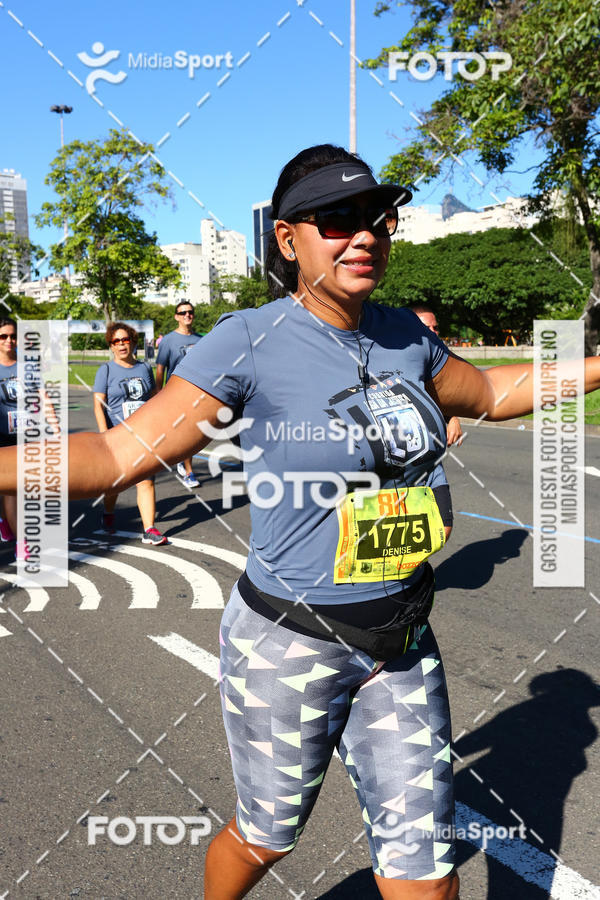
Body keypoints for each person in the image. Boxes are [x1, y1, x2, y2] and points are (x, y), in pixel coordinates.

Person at [0, 145, 598, 899]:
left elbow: (490, 392)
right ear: (287, 239)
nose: (365, 234)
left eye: (377, 217)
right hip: (290, 641)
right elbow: (122, 452)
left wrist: (596, 366)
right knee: (267, 837)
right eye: (337, 219)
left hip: (402, 640)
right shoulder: (249, 338)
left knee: (425, 870)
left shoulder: (406, 335)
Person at [92, 322, 167, 545]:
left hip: (143, 434)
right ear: (111, 346)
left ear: (133, 342)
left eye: (125, 340)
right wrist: (104, 435)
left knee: (146, 480)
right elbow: (98, 405)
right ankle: (108, 513)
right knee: (115, 483)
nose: (121, 344)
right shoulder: (106, 370)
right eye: (116, 341)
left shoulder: (144, 368)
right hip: (117, 436)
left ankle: (149, 529)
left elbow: (152, 398)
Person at [155, 301, 202, 488]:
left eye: (190, 312)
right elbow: (160, 369)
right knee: (184, 433)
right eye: (183, 313)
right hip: (175, 395)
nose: (187, 315)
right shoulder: (168, 340)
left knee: (193, 433)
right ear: (176, 317)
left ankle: (184, 463)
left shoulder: (201, 339)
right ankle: (188, 470)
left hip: (197, 394)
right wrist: (158, 394)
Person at [410, 305, 463, 447]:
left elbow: (439, 393)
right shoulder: (396, 359)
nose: (433, 332)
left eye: (435, 327)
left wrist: (452, 418)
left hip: (430, 442)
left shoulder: (437, 359)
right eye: (426, 327)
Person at [0, 317, 18, 545]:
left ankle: (9, 525)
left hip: (24, 437)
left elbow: (41, 397)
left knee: (14, 488)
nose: (9, 340)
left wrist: (54, 427)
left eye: (13, 336)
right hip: (1, 437)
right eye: (3, 336)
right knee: (8, 488)